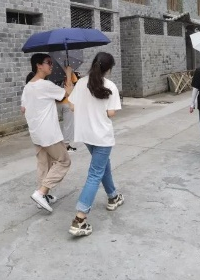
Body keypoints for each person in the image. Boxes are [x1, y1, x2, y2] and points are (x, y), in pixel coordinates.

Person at [67, 52, 123, 237]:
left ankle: (113, 196)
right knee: (95, 174)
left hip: (86, 135)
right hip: (102, 136)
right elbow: (111, 113)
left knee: (103, 166)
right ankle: (80, 219)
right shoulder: (110, 86)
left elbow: (72, 106)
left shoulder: (81, 83)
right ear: (109, 69)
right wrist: (98, 112)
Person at [21, 54, 73, 213]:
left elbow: (23, 109)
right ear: (39, 65)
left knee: (44, 164)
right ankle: (41, 192)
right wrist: (68, 72)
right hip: (49, 133)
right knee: (64, 161)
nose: (51, 65)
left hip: (36, 132)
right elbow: (68, 92)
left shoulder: (28, 87)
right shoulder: (45, 85)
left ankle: (43, 197)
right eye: (48, 63)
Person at [57, 70, 80, 152]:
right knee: (68, 124)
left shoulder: (53, 73)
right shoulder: (70, 73)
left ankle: (56, 145)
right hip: (67, 102)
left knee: (55, 125)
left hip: (55, 102)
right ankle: (66, 145)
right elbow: (75, 85)